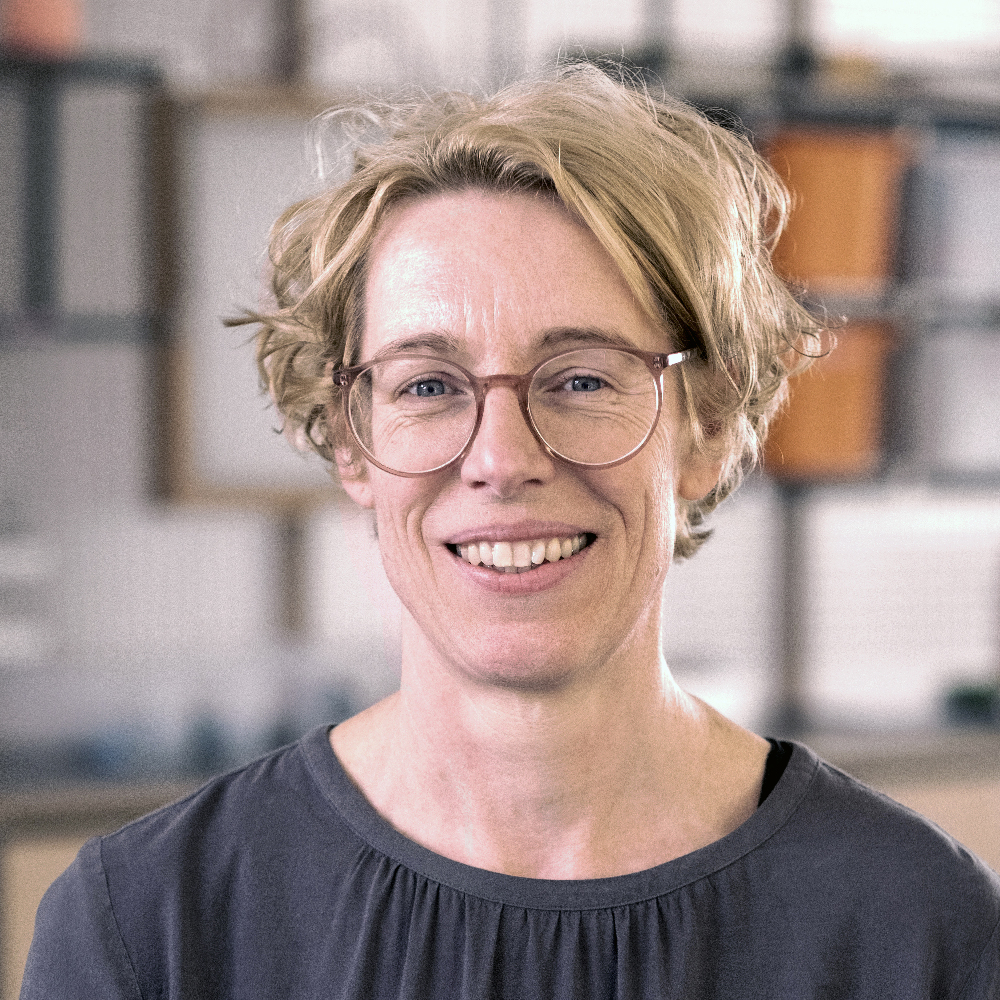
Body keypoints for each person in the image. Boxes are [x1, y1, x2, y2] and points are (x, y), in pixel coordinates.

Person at [21, 66, 999, 999]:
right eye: (428, 386)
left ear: (707, 426)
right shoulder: (151, 924)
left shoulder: (921, 929)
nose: (500, 458)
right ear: (351, 441)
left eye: (581, 378)